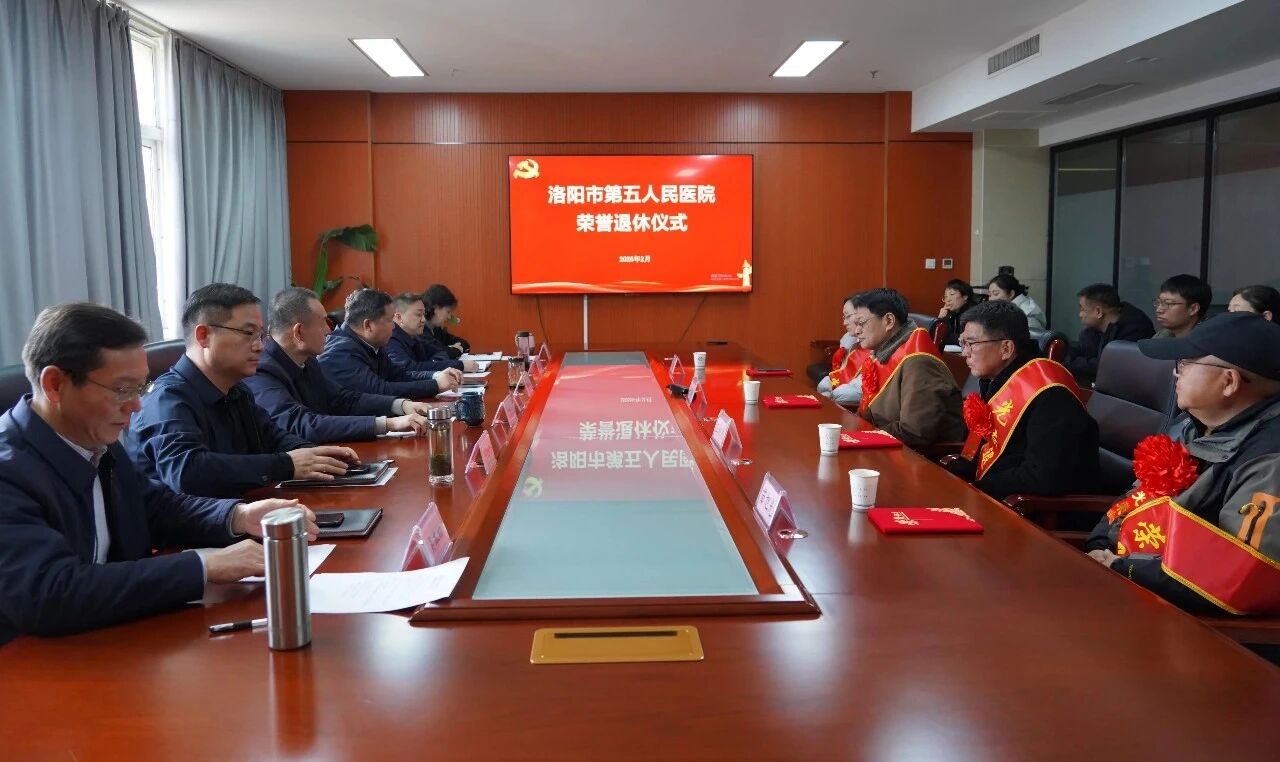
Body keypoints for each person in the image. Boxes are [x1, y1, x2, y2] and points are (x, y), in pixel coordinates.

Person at [0, 303, 318, 644]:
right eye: (122, 389)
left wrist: (238, 516)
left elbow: (157, 508)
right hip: (32, 660)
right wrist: (204, 566)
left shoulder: (94, 439)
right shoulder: (9, 470)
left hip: (112, 636)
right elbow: (51, 591)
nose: (136, 406)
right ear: (55, 384)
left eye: (140, 388)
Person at [1085, 311, 1280, 614]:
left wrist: (1124, 567)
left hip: (1197, 624)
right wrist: (1100, 544)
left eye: (1186, 363)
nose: (1176, 374)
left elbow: (1241, 576)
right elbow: (1135, 499)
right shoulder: (1191, 425)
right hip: (1139, 589)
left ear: (1229, 382)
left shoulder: (1269, 460)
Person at [128, 283, 358, 498]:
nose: (260, 346)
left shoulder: (236, 390)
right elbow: (188, 471)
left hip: (246, 511)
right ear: (204, 336)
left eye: (260, 335)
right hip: (192, 526)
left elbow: (272, 437)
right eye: (248, 334)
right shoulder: (166, 400)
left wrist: (315, 455)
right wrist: (286, 464)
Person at [945, 300, 1099, 500]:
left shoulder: (1050, 394)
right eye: (963, 343)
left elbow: (1042, 477)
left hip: (1033, 509)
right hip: (994, 494)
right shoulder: (997, 377)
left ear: (1006, 348)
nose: (965, 353)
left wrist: (976, 489)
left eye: (972, 344)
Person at [245, 288, 434, 443]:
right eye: (322, 323)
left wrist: (400, 405)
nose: (329, 330)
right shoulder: (261, 371)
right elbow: (301, 424)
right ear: (299, 332)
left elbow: (343, 400)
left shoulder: (309, 361)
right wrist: (388, 424)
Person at [850, 288, 965, 448]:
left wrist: (862, 437)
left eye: (861, 323)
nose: (856, 331)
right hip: (885, 445)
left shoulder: (919, 362)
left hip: (917, 457)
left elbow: (914, 432)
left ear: (889, 321)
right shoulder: (885, 353)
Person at [319, 288, 462, 398]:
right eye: (389, 320)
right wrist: (435, 385)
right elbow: (379, 390)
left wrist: (436, 375)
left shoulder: (371, 343)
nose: (394, 326)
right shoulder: (341, 351)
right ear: (368, 325)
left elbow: (398, 374)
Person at [1066, 283, 1155, 384]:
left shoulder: (1135, 328)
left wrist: (1073, 362)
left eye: (1082, 309)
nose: (1080, 315)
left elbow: (1111, 366)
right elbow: (1078, 350)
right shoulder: (1092, 331)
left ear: (1098, 311)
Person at [386, 292, 475, 373]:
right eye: (418, 315)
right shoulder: (390, 339)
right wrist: (459, 365)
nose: (423, 320)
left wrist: (432, 363)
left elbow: (441, 353)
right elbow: (409, 369)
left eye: (424, 314)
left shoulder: (415, 336)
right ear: (399, 317)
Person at [816, 294, 869, 407]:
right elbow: (843, 374)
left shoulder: (875, 344)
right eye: (844, 317)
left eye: (848, 316)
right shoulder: (848, 340)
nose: (845, 323)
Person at [1153, 273, 1211, 338]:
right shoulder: (1162, 336)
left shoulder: (1208, 339)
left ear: (1193, 309)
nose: (1159, 310)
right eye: (1159, 302)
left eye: (1168, 303)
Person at [422, 283, 470, 360]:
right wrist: (457, 349)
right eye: (448, 312)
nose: (449, 317)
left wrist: (453, 349)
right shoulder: (420, 330)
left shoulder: (436, 329)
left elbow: (464, 343)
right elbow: (439, 353)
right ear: (436, 308)